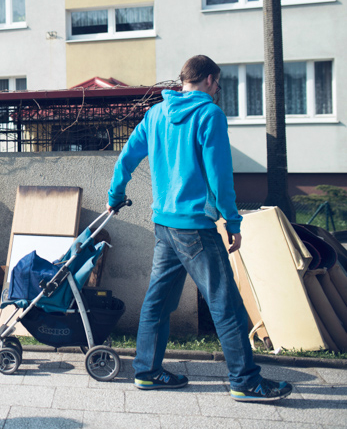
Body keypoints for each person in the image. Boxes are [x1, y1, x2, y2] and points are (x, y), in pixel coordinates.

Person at [107, 55, 292, 403]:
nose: (218, 90)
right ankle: (245, 381)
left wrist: (115, 195)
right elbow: (220, 176)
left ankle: (146, 372)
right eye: (219, 84)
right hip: (195, 228)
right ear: (209, 79)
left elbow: (127, 156)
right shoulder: (209, 115)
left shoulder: (156, 113)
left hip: (164, 224)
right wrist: (231, 220)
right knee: (227, 305)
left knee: (158, 302)